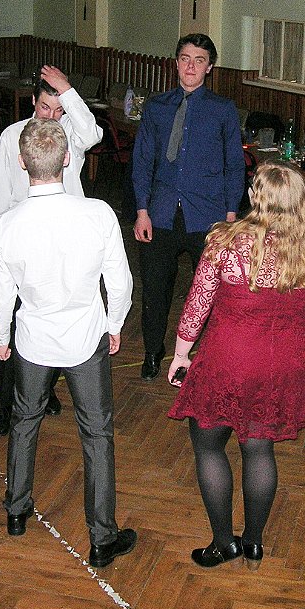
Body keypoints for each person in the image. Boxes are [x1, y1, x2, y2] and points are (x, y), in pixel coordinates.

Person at [0, 117, 136, 569]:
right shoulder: (98, 214)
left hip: (33, 341)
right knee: (97, 434)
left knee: (24, 421)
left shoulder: (4, 226)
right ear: (67, 159)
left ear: (22, 161)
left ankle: (16, 510)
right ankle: (102, 538)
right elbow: (120, 281)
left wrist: (0, 337)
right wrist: (114, 323)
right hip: (86, 339)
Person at [167, 161, 305, 570]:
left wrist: (181, 354)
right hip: (281, 361)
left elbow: (198, 303)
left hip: (228, 358)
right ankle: (254, 542)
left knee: (208, 445)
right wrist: (297, 359)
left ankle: (224, 543)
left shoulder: (225, 241)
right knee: (259, 449)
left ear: (255, 196)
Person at [0, 66, 102, 435]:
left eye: (59, 110)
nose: (52, 117)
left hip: (64, 245)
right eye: (46, 107)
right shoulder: (12, 136)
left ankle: (43, 391)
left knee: (56, 319)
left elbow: (93, 133)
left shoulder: (71, 136)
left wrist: (67, 90)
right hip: (22, 241)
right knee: (13, 320)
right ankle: (4, 403)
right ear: (33, 102)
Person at [132, 33, 245, 381]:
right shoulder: (156, 107)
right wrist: (142, 210)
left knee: (211, 292)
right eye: (185, 59)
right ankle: (153, 352)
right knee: (155, 288)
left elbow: (234, 165)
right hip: (161, 213)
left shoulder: (222, 110)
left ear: (209, 67)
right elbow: (142, 161)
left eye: (199, 60)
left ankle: (209, 355)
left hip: (207, 217)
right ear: (176, 63)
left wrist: (230, 216)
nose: (191, 66)